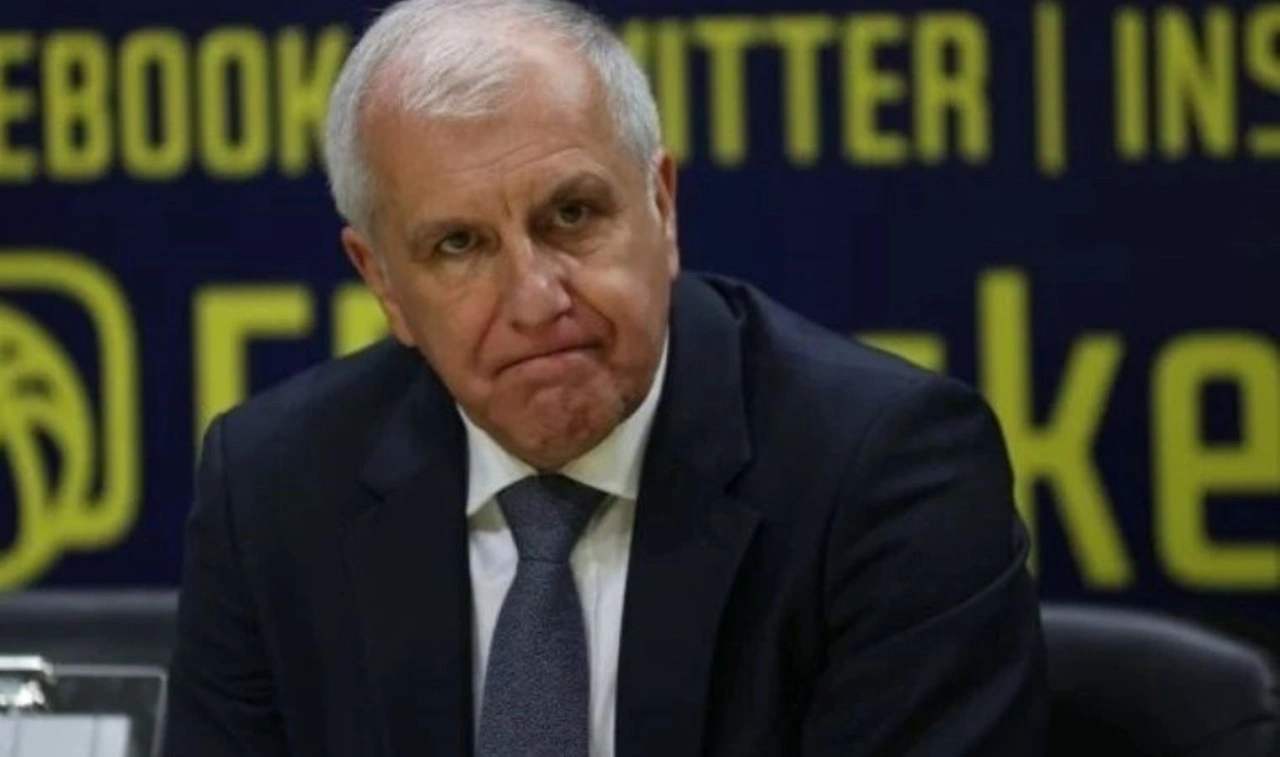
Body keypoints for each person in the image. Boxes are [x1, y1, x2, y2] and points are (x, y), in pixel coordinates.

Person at [164, 0, 1048, 754]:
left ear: (662, 205)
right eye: (459, 245)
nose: (535, 299)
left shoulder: (888, 474)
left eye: (573, 214)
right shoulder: (274, 488)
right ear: (384, 283)